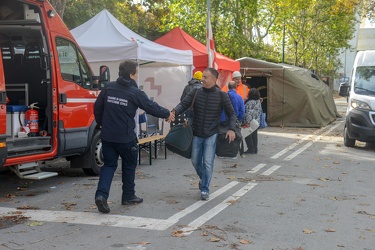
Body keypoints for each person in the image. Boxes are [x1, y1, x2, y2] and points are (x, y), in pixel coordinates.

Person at [94, 60, 174, 214]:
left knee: (109, 165)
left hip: (108, 136)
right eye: (136, 73)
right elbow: (151, 106)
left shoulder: (108, 88)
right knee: (129, 165)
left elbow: (97, 107)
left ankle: (101, 196)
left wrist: (102, 123)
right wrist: (167, 114)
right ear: (131, 75)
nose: (137, 76)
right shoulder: (134, 92)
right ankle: (128, 196)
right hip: (126, 137)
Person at [171, 68, 236, 201]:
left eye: (205, 77)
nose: (202, 79)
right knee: (195, 160)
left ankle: (205, 188)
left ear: (214, 79)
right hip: (196, 132)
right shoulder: (196, 92)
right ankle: (203, 178)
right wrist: (173, 112)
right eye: (203, 77)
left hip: (211, 134)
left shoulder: (221, 95)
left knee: (207, 162)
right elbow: (183, 104)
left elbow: (232, 113)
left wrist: (232, 129)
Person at [241, 88, 262, 154]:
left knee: (247, 135)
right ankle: (255, 149)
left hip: (250, 121)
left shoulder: (249, 102)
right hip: (256, 121)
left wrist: (246, 122)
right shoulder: (258, 102)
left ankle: (251, 149)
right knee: (254, 135)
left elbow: (248, 113)